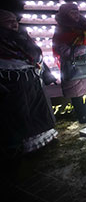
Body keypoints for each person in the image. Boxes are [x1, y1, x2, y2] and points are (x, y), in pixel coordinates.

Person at [0, 9, 57, 156]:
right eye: (8, 21)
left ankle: (45, 139)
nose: (14, 24)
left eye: (15, 21)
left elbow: (37, 56)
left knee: (39, 109)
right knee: (21, 113)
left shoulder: (24, 37)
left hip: (33, 80)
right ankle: (22, 146)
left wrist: (47, 75)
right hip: (14, 84)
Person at [52, 3, 86, 123]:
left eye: (76, 12)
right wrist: (84, 50)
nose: (75, 15)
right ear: (65, 14)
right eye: (72, 12)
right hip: (74, 66)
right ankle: (82, 115)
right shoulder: (61, 31)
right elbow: (63, 51)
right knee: (77, 93)